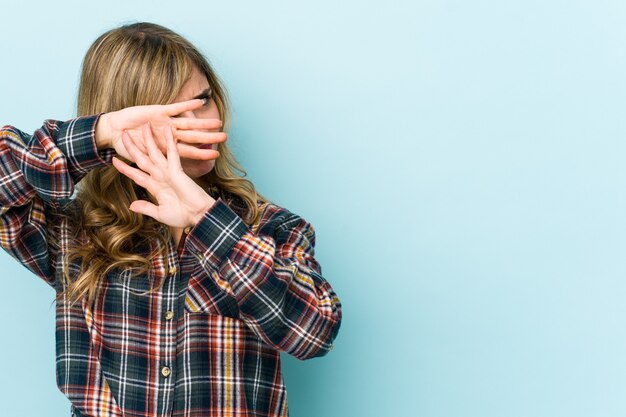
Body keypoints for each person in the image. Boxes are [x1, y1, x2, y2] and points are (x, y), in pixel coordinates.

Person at [0, 22, 342, 417]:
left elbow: (314, 334)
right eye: (174, 117)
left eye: (204, 99)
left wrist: (205, 218)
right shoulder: (73, 233)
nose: (201, 123)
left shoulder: (271, 228)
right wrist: (102, 132)